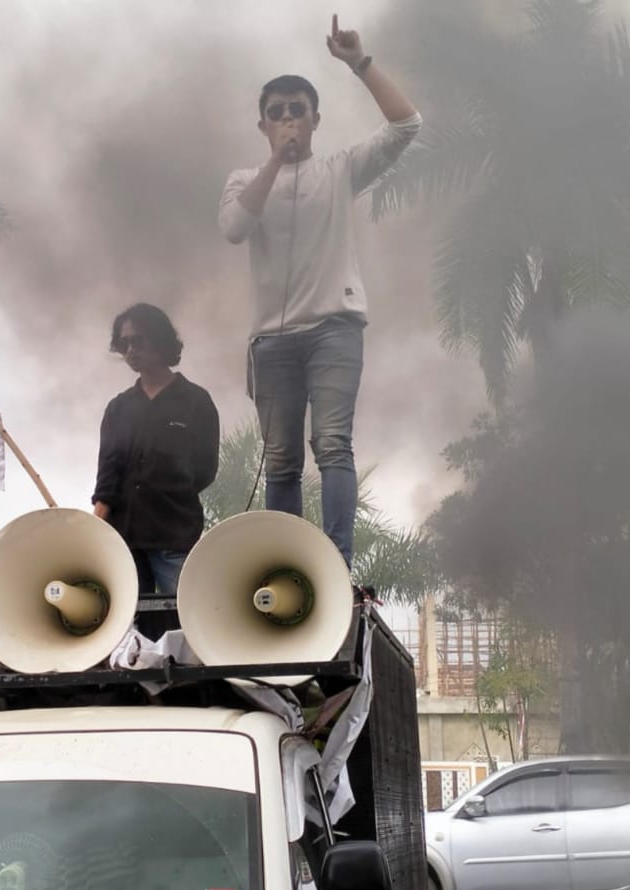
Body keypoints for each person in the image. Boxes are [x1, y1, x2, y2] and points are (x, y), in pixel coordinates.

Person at [217, 15, 421, 567]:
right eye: (277, 113)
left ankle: (335, 563)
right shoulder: (244, 179)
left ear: (315, 120)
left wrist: (359, 62)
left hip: (334, 328)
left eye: (297, 111)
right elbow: (235, 229)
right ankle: (286, 565)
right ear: (263, 124)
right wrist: (273, 163)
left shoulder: (339, 169)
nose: (288, 119)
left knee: (331, 444)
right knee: (280, 459)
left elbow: (407, 126)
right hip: (272, 341)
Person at [92, 303, 221, 596]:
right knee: (126, 626)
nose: (131, 350)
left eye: (138, 340)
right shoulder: (119, 407)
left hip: (173, 537)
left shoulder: (196, 401)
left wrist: (169, 490)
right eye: (123, 344)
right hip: (123, 540)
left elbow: (205, 469)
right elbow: (107, 474)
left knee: (188, 616)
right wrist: (95, 529)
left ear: (160, 340)